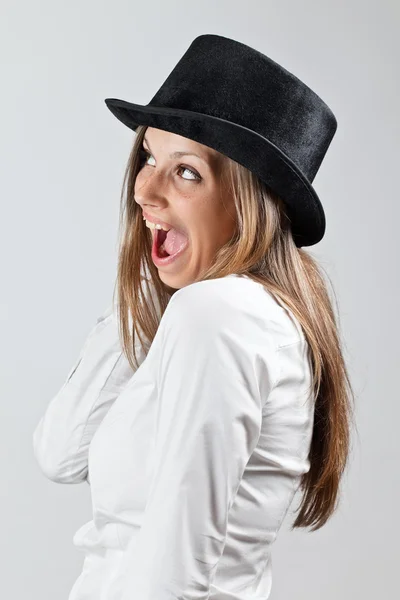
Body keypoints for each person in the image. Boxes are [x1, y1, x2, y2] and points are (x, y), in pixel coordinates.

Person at [32, 34, 355, 600]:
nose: (144, 191)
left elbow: (175, 576)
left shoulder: (219, 314)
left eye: (187, 173)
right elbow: (60, 453)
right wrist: (145, 296)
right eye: (149, 158)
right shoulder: (224, 312)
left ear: (250, 201)